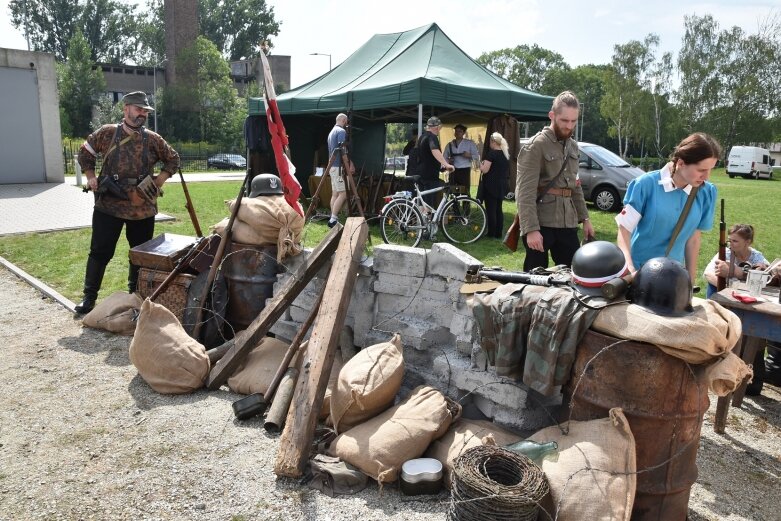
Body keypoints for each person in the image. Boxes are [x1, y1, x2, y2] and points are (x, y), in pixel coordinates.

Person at [74, 91, 180, 314]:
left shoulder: (152, 139)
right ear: (126, 109)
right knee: (100, 252)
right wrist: (91, 176)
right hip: (109, 205)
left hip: (141, 207)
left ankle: (136, 298)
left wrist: (158, 181)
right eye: (138, 109)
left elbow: (173, 159)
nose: (142, 114)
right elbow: (85, 152)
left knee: (140, 254)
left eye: (145, 111)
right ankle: (89, 297)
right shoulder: (107, 133)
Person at [615, 132, 720, 283]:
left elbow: (693, 239)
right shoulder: (645, 185)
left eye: (711, 170)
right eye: (701, 170)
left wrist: (689, 281)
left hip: (674, 277)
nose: (707, 177)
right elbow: (624, 230)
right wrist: (630, 268)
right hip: (639, 274)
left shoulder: (706, 192)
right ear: (681, 163)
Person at [516, 91, 594, 271]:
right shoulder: (536, 145)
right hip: (541, 221)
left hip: (567, 222)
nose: (569, 126)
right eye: (564, 121)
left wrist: (585, 218)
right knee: (535, 278)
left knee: (573, 274)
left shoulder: (573, 146)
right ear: (552, 116)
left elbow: (575, 186)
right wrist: (531, 229)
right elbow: (524, 191)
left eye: (574, 121)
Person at [703, 224, 768, 297]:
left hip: (746, 294)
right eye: (729, 240)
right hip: (726, 293)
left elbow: (767, 273)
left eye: (735, 241)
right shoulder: (726, 253)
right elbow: (708, 273)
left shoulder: (756, 256)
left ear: (747, 242)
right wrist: (726, 287)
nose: (730, 244)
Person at [416, 116, 455, 207]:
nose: (439, 130)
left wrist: (441, 166)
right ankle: (428, 220)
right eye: (439, 128)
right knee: (429, 203)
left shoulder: (422, 136)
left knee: (424, 203)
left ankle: (423, 220)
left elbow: (427, 155)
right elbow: (434, 150)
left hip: (421, 172)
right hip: (429, 174)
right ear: (437, 127)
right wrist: (447, 164)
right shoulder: (432, 137)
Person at [479, 132, 509, 238]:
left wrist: (480, 164)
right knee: (498, 210)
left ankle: (491, 233)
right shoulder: (505, 154)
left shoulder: (492, 154)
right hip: (501, 184)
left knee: (491, 210)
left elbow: (485, 170)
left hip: (491, 184)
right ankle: (498, 233)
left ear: (493, 142)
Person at [326, 113, 355, 228]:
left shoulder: (331, 131)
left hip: (332, 166)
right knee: (343, 193)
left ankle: (333, 217)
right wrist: (349, 164)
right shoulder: (341, 132)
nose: (347, 124)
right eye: (346, 121)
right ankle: (333, 220)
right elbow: (342, 150)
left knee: (335, 194)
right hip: (338, 166)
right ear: (344, 120)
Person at [444, 124, 480, 195]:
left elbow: (476, 157)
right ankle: (455, 206)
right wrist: (448, 161)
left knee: (465, 191)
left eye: (460, 131)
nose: (457, 133)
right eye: (456, 131)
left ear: (464, 133)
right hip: (453, 170)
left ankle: (466, 206)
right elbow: (444, 157)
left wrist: (469, 155)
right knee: (454, 191)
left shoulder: (470, 143)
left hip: (465, 170)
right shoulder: (450, 145)